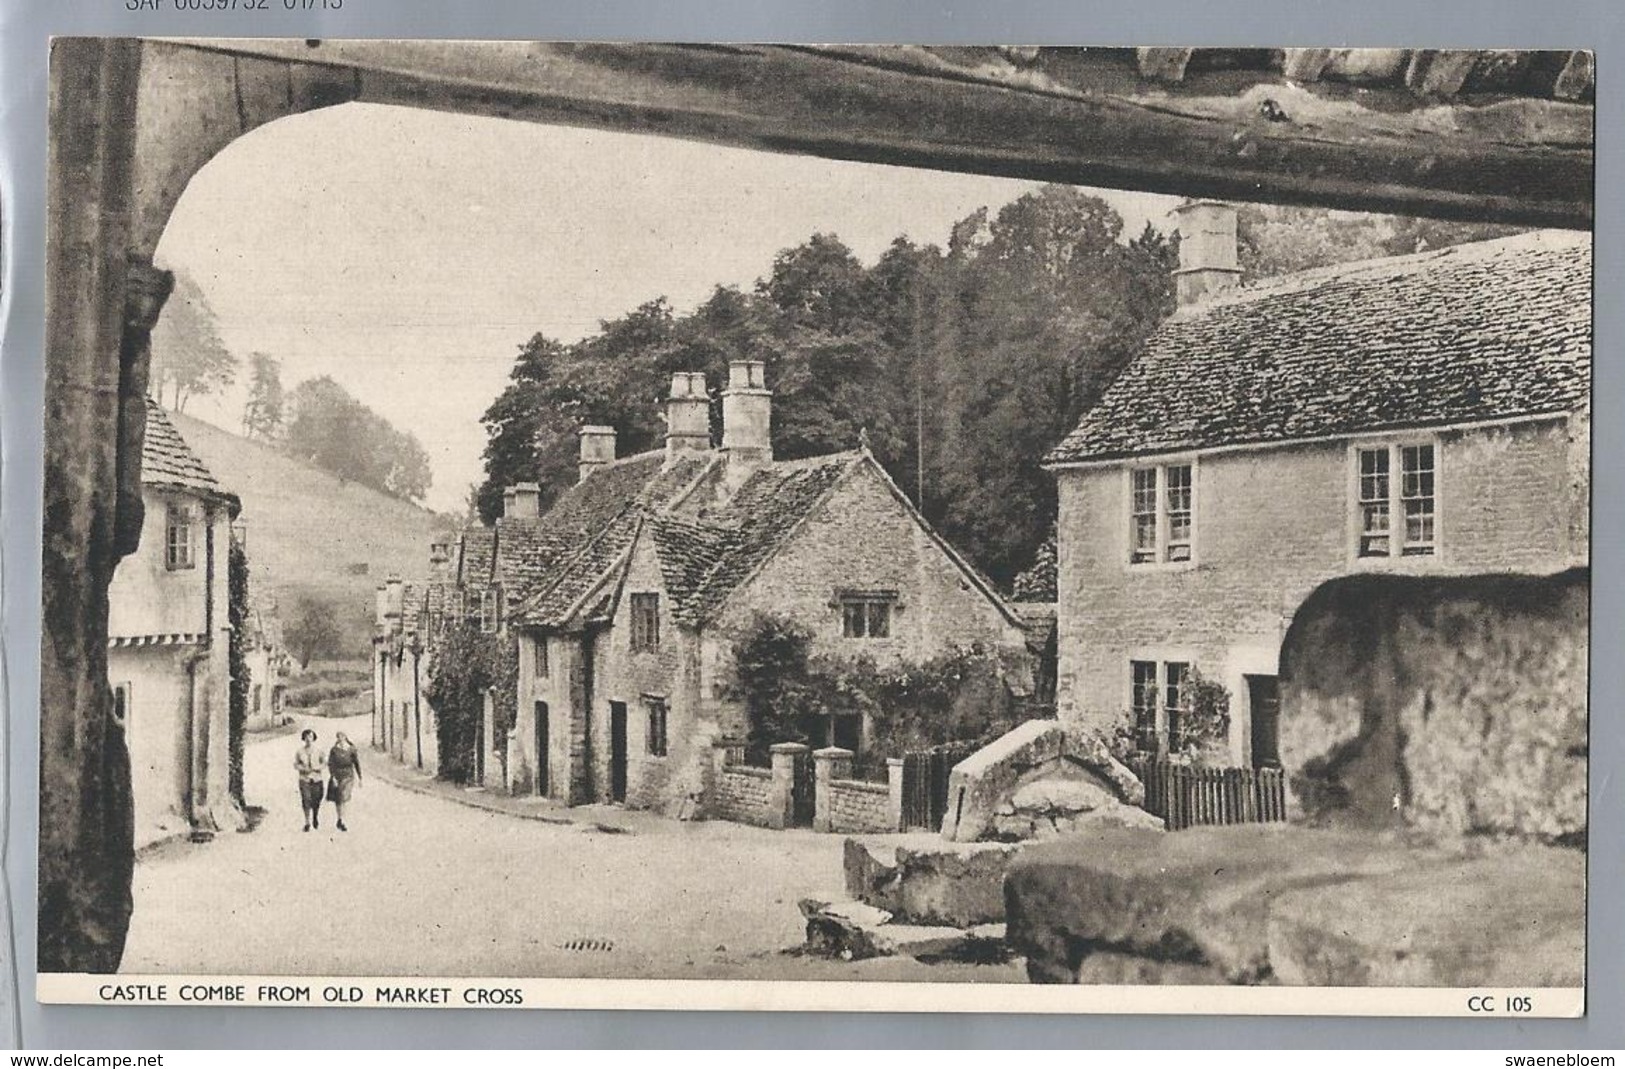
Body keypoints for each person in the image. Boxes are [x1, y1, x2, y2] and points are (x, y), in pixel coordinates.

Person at [327, 731, 363, 832]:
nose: (340, 738)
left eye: (342, 736)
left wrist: (360, 778)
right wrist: (333, 777)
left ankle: (343, 821)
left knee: (344, 796)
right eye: (338, 737)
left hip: (348, 775)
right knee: (338, 799)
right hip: (337, 775)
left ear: (346, 737)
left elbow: (356, 763)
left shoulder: (351, 749)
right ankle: (339, 818)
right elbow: (331, 764)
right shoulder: (334, 750)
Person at [294, 729, 326, 832]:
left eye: (311, 737)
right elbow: (296, 764)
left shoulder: (319, 751)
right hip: (305, 779)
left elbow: (325, 763)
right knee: (306, 799)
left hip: (317, 779)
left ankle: (315, 817)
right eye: (306, 737)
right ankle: (307, 822)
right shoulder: (299, 751)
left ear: (314, 738)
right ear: (304, 738)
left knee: (316, 800)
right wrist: (302, 768)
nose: (308, 739)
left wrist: (318, 767)